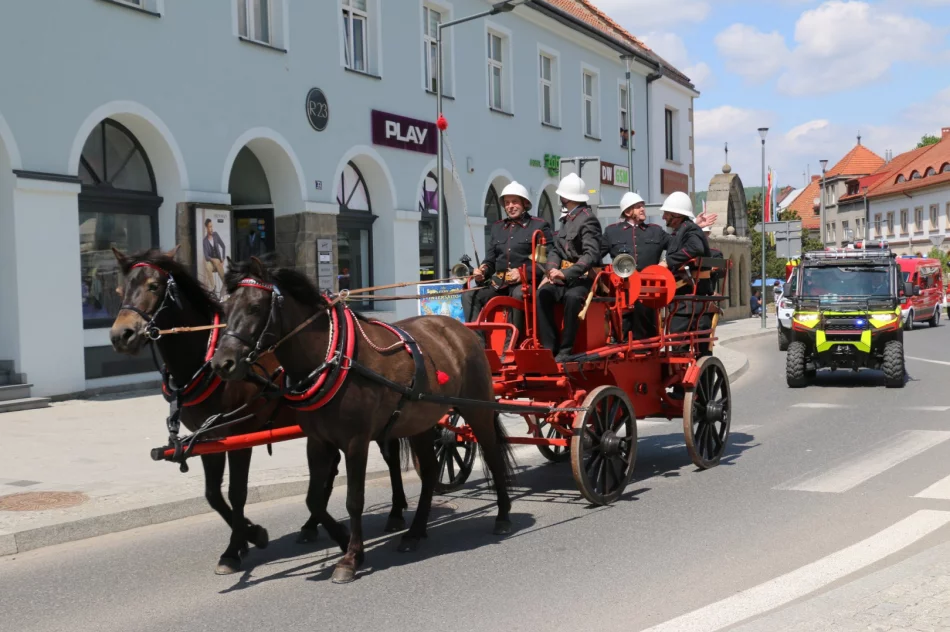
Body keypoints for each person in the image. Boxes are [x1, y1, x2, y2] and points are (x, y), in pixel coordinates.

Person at [602, 191, 716, 340]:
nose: (643, 209)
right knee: (617, 322)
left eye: (643, 205)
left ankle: (645, 347)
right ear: (628, 211)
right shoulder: (612, 232)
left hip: (649, 289)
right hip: (621, 289)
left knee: (645, 319)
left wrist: (695, 225)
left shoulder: (655, 231)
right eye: (638, 206)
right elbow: (596, 253)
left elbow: (680, 242)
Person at [463, 181, 553, 343]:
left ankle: (511, 345)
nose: (510, 206)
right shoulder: (497, 227)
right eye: (507, 203)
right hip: (500, 283)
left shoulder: (539, 226)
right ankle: (478, 345)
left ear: (525, 203)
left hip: (527, 283)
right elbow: (490, 260)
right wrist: (483, 270)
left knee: (518, 294)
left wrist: (522, 273)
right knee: (470, 295)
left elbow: (546, 261)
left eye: (515, 202)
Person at [537, 173, 603, 363]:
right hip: (562, 277)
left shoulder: (588, 219)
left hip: (582, 278)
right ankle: (549, 347)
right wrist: (550, 270)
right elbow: (556, 250)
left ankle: (566, 350)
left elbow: (591, 255)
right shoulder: (567, 220)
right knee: (543, 294)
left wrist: (565, 274)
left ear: (565, 197)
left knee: (573, 298)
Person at [660, 191, 711, 341]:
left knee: (678, 344)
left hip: (689, 301)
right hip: (683, 300)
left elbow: (696, 248)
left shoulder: (689, 229)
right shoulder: (684, 230)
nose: (663, 217)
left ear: (677, 215)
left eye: (666, 214)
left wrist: (667, 261)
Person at [202, 218, 227, 296]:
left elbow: (223, 246)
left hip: (218, 262)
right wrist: (212, 259)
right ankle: (213, 286)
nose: (211, 228)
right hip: (212, 263)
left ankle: (223, 291)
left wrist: (223, 258)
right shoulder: (205, 241)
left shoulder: (216, 235)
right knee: (207, 266)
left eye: (212, 226)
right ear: (206, 228)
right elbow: (206, 256)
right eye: (209, 227)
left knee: (224, 281)